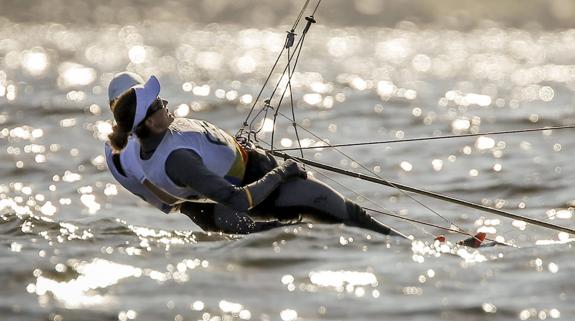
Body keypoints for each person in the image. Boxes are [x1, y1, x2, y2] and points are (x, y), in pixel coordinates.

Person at [108, 75, 407, 237]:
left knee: (328, 228)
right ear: (147, 121)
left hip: (252, 172)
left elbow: (202, 146)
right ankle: (416, 253)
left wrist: (230, 147)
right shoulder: (174, 160)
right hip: (258, 189)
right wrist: (283, 172)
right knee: (350, 217)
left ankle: (407, 253)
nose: (165, 103)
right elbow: (233, 199)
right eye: (159, 103)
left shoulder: (161, 135)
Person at [105, 72, 274, 232]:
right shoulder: (132, 146)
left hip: (197, 204)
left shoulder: (120, 141)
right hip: (204, 204)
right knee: (268, 232)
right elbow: (168, 198)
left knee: (264, 238)